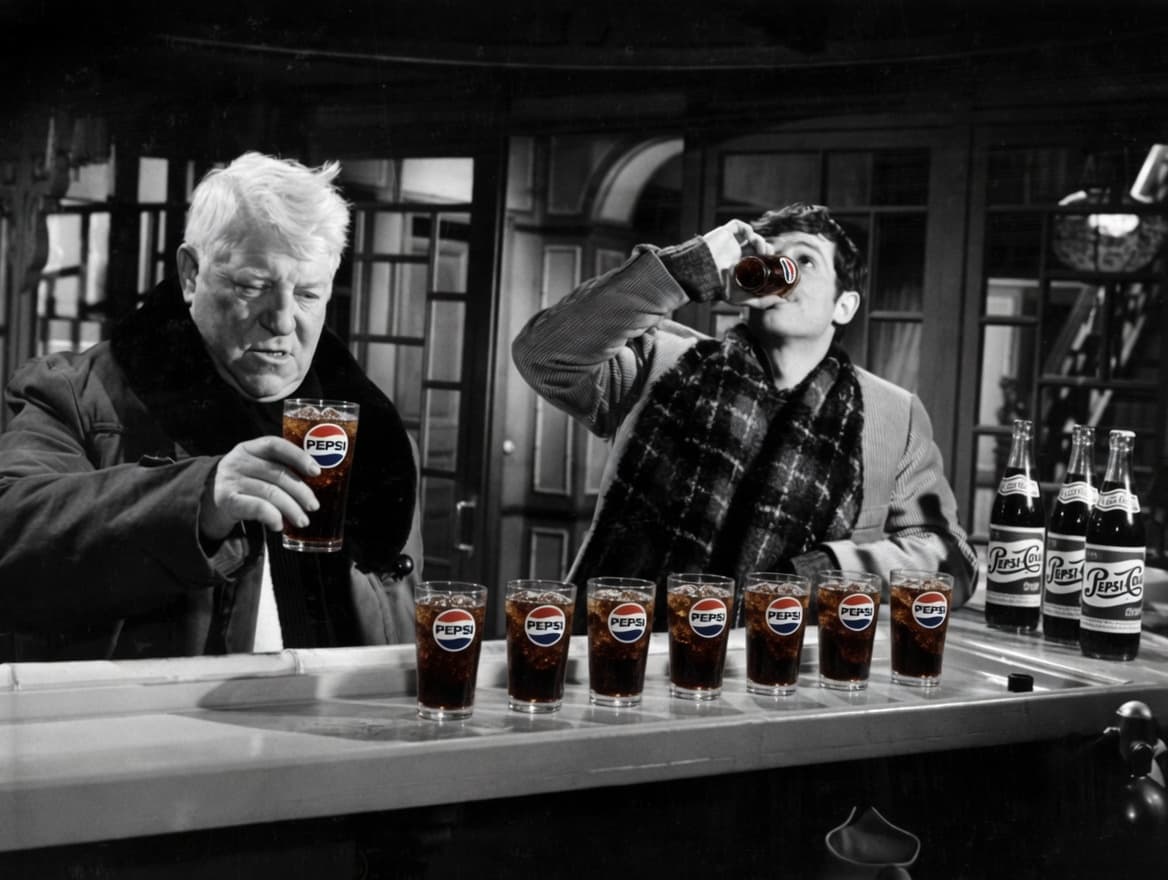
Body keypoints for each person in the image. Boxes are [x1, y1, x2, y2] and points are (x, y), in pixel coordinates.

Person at [0, 152, 422, 661]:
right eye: (253, 286)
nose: (284, 321)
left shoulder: (377, 437)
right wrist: (198, 499)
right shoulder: (72, 393)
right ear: (191, 274)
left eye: (308, 294)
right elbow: (12, 532)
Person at [512, 203, 977, 629]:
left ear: (844, 304)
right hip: (624, 647)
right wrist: (684, 269)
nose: (782, 271)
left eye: (805, 259)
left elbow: (952, 561)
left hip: (780, 670)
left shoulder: (890, 413)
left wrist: (835, 570)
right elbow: (544, 355)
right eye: (769, 256)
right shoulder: (662, 360)